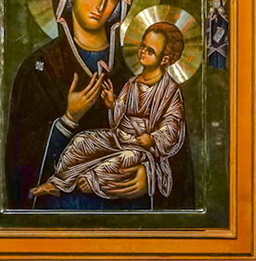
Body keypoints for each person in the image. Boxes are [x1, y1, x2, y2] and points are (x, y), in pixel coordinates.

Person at [5, 0, 193, 210]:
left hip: (130, 215)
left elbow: (176, 147)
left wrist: (150, 178)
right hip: (58, 221)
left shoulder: (136, 65)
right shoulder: (41, 66)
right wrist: (68, 120)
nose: (103, 3)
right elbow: (19, 157)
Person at [30, 23, 187, 202]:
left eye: (149, 51)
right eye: (142, 46)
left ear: (165, 59)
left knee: (121, 162)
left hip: (142, 148)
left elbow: (172, 125)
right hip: (119, 137)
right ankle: (58, 182)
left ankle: (92, 179)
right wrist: (113, 104)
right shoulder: (133, 83)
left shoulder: (170, 90)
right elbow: (120, 114)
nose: (142, 52)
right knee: (82, 142)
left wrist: (153, 138)